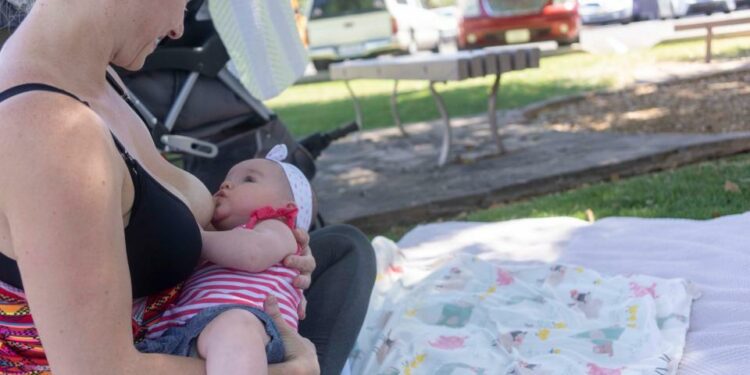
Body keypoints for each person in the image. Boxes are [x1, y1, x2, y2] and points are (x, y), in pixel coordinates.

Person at [0, 0, 376, 374]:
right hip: (165, 350)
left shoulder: (96, 77)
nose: (179, 27)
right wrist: (290, 370)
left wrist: (269, 260)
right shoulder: (49, 128)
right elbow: (99, 370)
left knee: (344, 248)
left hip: (187, 319)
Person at [137, 144, 316, 375]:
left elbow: (253, 254)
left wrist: (194, 237)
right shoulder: (218, 241)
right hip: (179, 337)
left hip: (247, 330)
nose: (226, 184)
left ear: (286, 209)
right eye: (227, 178)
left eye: (249, 180)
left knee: (237, 327)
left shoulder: (277, 228)